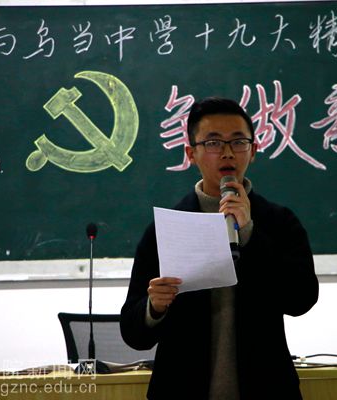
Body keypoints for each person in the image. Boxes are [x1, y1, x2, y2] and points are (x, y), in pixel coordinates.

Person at [120, 97, 319, 400]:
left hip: (266, 388)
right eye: (213, 143)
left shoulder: (279, 222)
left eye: (238, 142)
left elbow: (301, 298)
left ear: (253, 151)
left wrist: (250, 234)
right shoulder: (167, 227)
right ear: (191, 154)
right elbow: (133, 334)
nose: (227, 153)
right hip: (181, 390)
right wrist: (154, 307)